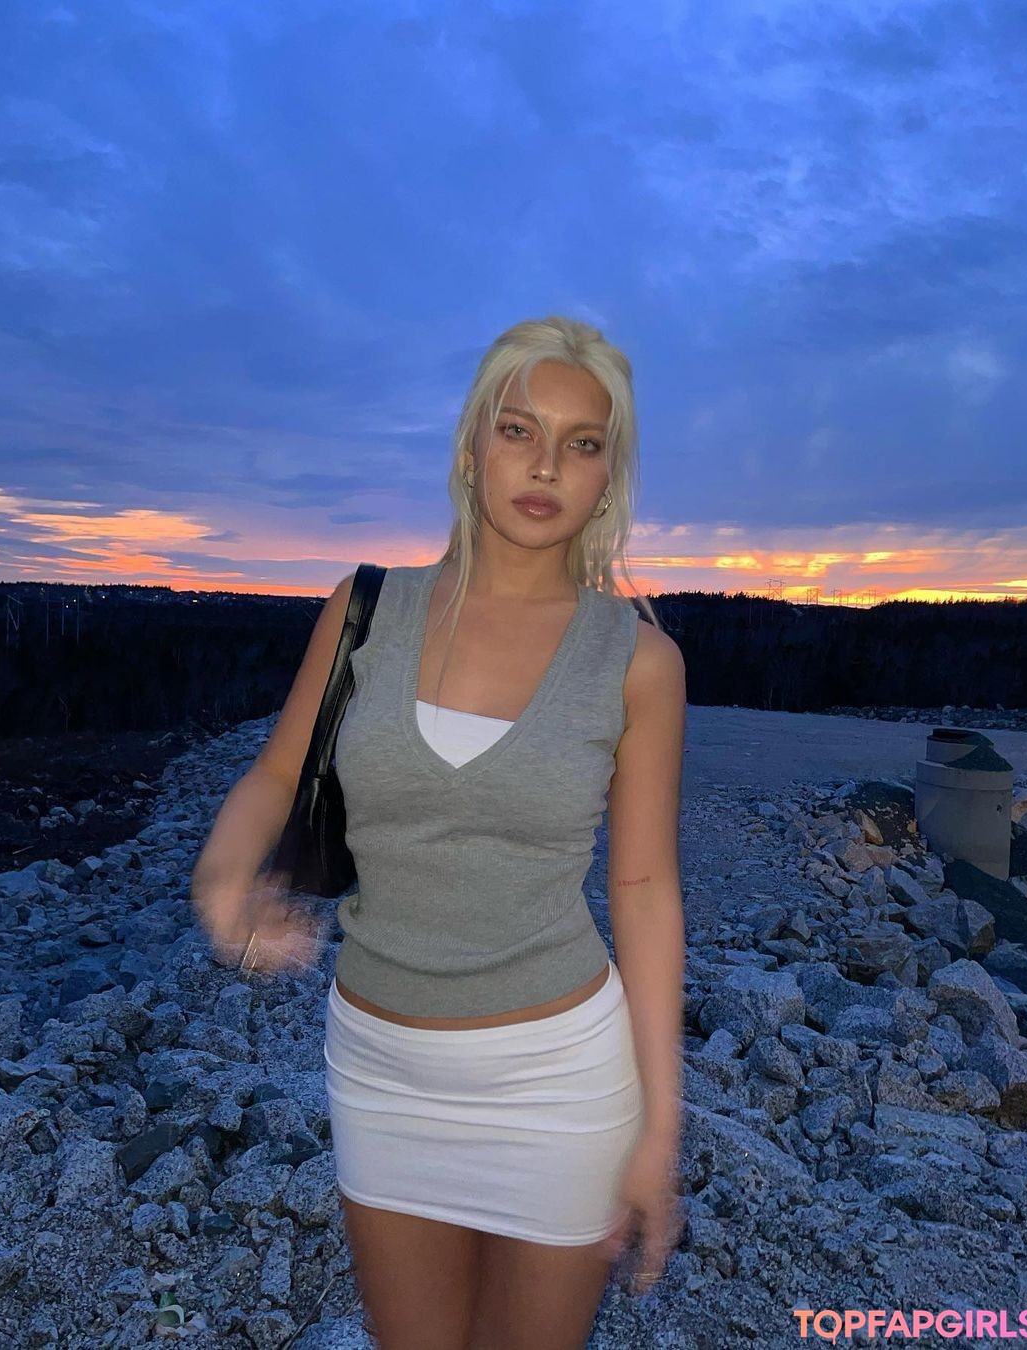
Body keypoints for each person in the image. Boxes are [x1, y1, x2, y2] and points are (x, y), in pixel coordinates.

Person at [191, 316, 687, 1350]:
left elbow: (643, 891)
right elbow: (278, 772)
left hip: (556, 1080)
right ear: (472, 448)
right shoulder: (368, 609)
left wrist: (659, 1127)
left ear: (607, 478)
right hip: (381, 1074)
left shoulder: (638, 661)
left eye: (583, 444)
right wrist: (223, 875)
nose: (546, 465)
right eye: (518, 430)